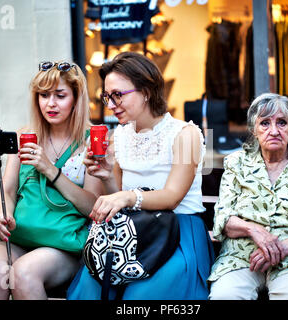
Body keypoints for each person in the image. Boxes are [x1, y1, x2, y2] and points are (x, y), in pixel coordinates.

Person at [67, 51, 214, 300]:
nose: (111, 105)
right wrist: (107, 178)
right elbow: (118, 196)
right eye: (106, 97)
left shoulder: (186, 134)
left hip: (177, 232)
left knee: (139, 297)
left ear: (146, 91)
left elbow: (172, 197)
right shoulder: (120, 136)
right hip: (132, 232)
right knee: (93, 289)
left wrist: (125, 197)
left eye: (118, 95)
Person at [0, 61, 103, 299]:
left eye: (60, 95)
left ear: (76, 98)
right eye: (44, 95)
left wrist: (49, 169)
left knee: (23, 274)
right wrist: (4, 214)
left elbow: (92, 207)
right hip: (21, 235)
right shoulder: (25, 135)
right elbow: (8, 189)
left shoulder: (91, 142)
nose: (51, 103)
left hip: (63, 244)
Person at [208, 93, 288, 300]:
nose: (274, 131)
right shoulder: (236, 164)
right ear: (253, 130)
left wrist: (280, 249)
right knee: (225, 296)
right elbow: (224, 218)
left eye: (282, 122)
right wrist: (253, 229)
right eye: (265, 123)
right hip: (241, 258)